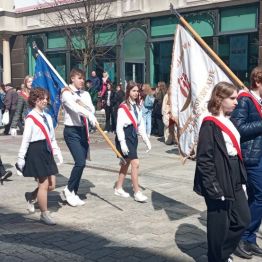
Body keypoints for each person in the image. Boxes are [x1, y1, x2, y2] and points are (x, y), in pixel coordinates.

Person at [193, 82, 250, 262]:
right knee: (218, 223)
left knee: (243, 219)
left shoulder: (229, 120)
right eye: (232, 98)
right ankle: (216, 258)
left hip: (233, 172)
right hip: (218, 175)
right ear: (219, 98)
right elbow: (204, 159)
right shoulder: (210, 124)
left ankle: (221, 254)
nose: (236, 102)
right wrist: (213, 187)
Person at [16, 88, 63, 225]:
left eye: (46, 98)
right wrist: (21, 158)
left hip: (47, 150)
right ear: (35, 100)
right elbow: (25, 139)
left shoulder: (47, 117)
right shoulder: (31, 118)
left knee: (52, 185)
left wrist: (57, 151)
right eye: (41, 98)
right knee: (43, 184)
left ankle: (31, 196)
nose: (45, 101)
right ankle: (44, 214)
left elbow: (52, 138)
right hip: (36, 150)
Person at [231, 66, 262, 259]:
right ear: (257, 82)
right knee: (260, 197)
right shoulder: (245, 100)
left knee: (255, 198)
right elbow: (238, 128)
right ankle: (241, 237)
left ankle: (249, 239)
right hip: (251, 157)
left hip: (259, 155)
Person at [61, 68, 98, 207]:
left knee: (82, 163)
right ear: (72, 79)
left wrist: (84, 105)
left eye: (83, 78)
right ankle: (68, 189)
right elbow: (74, 108)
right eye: (79, 78)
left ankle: (73, 192)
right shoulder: (65, 93)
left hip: (83, 130)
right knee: (80, 162)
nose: (82, 81)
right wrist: (82, 107)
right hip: (71, 131)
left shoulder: (85, 94)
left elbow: (92, 109)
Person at [114, 81, 151, 202]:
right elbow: (119, 127)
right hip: (125, 136)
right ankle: (137, 192)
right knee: (135, 163)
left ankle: (118, 187)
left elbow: (139, 125)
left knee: (126, 163)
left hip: (133, 136)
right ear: (128, 91)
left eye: (137, 91)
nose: (136, 93)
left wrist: (146, 139)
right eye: (133, 91)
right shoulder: (123, 107)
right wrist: (122, 143)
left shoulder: (137, 106)